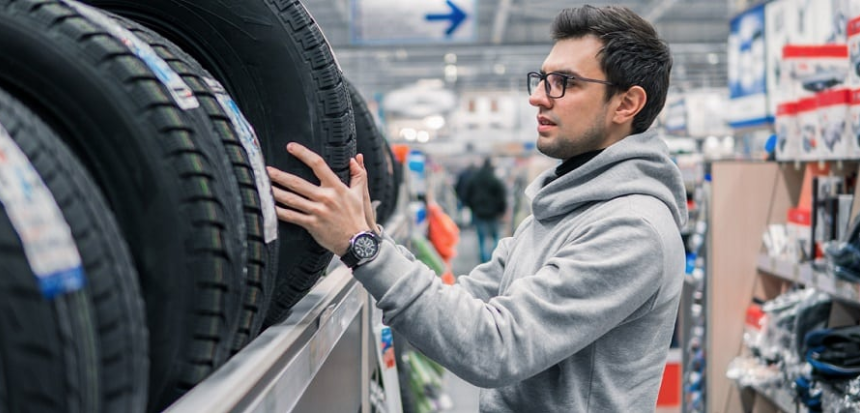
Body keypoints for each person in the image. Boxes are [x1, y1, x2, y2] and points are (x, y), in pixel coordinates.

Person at [267, 5, 687, 412]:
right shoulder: (561, 206)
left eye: (565, 82)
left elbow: (495, 347)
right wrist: (370, 234)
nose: (538, 98)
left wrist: (363, 247)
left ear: (626, 104)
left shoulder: (633, 229)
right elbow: (463, 303)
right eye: (541, 79)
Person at [462, 157, 507, 262]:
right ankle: (495, 260)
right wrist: (501, 210)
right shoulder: (494, 179)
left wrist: (471, 206)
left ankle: (483, 261)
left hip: (479, 212)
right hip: (493, 213)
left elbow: (467, 193)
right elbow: (501, 195)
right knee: (495, 237)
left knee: (481, 238)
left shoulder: (474, 178)